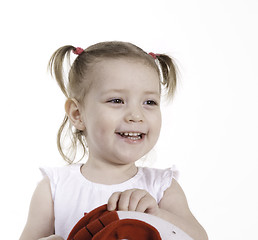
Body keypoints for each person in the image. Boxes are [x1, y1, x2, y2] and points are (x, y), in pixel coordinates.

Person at [19, 41, 208, 240]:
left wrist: (157, 215)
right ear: (77, 114)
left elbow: (200, 238)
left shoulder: (162, 188)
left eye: (149, 102)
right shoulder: (54, 189)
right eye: (116, 101)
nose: (136, 115)